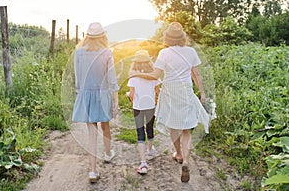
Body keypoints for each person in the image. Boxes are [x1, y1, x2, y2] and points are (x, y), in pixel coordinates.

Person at [129, 22, 208, 182]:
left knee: (174, 126)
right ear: (182, 38)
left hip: (170, 91)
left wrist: (135, 73)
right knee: (186, 129)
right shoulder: (191, 51)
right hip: (185, 90)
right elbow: (196, 74)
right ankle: (185, 160)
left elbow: (154, 75)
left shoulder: (164, 53)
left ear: (167, 38)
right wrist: (202, 93)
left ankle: (177, 153)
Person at [72, 22, 119, 183]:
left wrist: (81, 93)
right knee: (106, 126)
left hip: (87, 96)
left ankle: (92, 171)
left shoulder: (78, 53)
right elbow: (111, 77)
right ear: (102, 36)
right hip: (103, 94)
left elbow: (77, 79)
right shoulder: (107, 52)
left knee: (92, 134)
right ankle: (108, 153)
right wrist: (116, 99)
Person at [127, 50, 160, 174]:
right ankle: (150, 150)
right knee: (150, 128)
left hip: (138, 107)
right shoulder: (153, 76)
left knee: (140, 132)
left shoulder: (133, 77)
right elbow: (158, 91)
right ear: (149, 62)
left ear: (135, 63)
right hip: (150, 106)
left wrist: (128, 95)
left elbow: (131, 95)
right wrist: (155, 101)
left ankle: (143, 164)